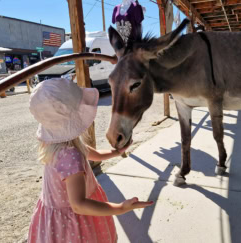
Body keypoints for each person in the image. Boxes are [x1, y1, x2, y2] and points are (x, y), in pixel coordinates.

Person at [27, 78, 153, 243]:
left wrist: (116, 152)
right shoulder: (71, 155)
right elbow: (78, 204)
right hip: (75, 225)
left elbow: (95, 155)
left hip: (53, 219)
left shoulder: (56, 143)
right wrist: (121, 208)